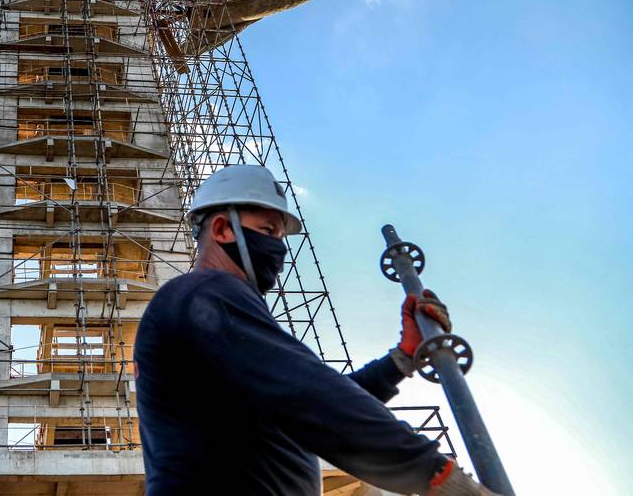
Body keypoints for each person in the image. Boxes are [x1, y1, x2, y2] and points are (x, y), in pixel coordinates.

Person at [134, 165, 498, 495]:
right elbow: (311, 396)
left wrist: (402, 358)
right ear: (223, 229)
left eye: (280, 236)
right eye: (267, 231)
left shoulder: (226, 331)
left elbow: (313, 403)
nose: (278, 248)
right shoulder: (203, 293)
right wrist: (440, 477)